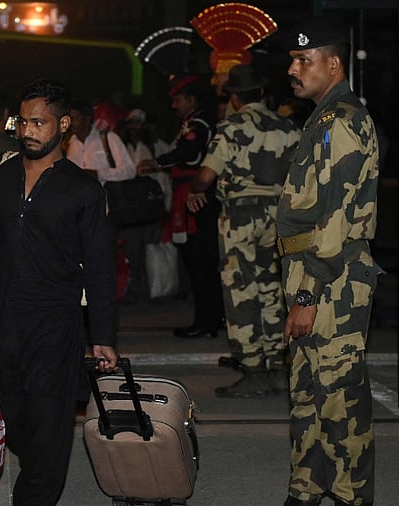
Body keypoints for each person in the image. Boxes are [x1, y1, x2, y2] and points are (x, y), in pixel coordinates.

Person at [0, 79, 118, 505]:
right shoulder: (0, 177)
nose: (28, 131)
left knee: (50, 422)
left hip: (54, 325)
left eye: (39, 122)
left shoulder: (82, 189)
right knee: (13, 414)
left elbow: (99, 268)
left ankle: (33, 497)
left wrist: (103, 336)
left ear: (64, 125)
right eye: (24, 121)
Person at [279, 19, 382, 506]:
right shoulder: (322, 118)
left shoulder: (341, 120)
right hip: (313, 274)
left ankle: (349, 495)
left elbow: (336, 218)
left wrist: (306, 293)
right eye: (293, 60)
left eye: (304, 60)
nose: (293, 69)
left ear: (333, 63)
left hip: (332, 281)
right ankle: (309, 487)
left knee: (339, 400)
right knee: (308, 394)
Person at [186, 64, 300, 398]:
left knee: (240, 292)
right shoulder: (289, 127)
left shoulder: (232, 126)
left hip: (241, 217)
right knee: (273, 290)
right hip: (280, 217)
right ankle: (279, 367)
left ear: (234, 97)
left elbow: (207, 175)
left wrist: (196, 189)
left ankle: (251, 369)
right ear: (262, 93)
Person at [139, 75, 223, 337]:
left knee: (200, 261)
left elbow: (189, 152)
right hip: (187, 194)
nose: (174, 105)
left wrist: (157, 163)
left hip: (195, 195)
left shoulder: (199, 123)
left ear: (190, 99)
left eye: (177, 99)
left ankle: (206, 320)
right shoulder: (192, 122)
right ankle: (209, 318)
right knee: (198, 260)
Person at [66, 100, 135, 183]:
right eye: (67, 119)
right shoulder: (71, 144)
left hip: (108, 194)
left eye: (73, 118)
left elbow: (130, 171)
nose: (69, 123)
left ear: (87, 120)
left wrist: (98, 174)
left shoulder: (109, 138)